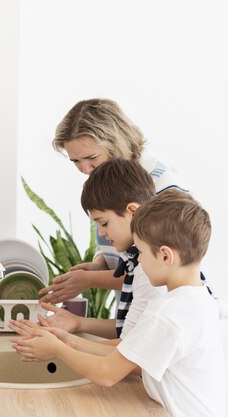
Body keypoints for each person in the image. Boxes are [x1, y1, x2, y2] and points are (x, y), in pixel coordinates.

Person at [12, 190, 227, 417]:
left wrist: (58, 349)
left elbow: (107, 373)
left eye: (142, 252)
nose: (139, 260)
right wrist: (67, 340)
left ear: (165, 256)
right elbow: (127, 353)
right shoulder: (197, 301)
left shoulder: (167, 313)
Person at [39, 98, 190, 306]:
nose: (84, 170)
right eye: (75, 161)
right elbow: (119, 244)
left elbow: (161, 272)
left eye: (91, 157)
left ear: (115, 143)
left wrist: (91, 280)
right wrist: (100, 265)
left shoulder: (162, 186)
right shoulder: (109, 183)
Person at [13, 159, 164, 348]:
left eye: (104, 223)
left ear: (133, 212)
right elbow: (131, 331)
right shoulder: (137, 262)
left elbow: (128, 354)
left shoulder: (150, 271)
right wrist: (77, 323)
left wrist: (60, 346)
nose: (101, 233)